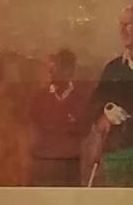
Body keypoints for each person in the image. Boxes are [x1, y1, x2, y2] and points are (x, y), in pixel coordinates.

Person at [87, 5, 133, 187]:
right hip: (114, 154)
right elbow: (94, 105)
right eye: (120, 24)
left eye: (128, 24)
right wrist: (105, 113)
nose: (122, 30)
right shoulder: (113, 68)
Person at [24, 49, 92, 187]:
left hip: (69, 169)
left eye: (56, 68)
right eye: (50, 68)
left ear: (69, 71)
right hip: (42, 167)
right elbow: (31, 132)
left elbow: (85, 133)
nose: (51, 72)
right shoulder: (39, 99)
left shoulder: (81, 101)